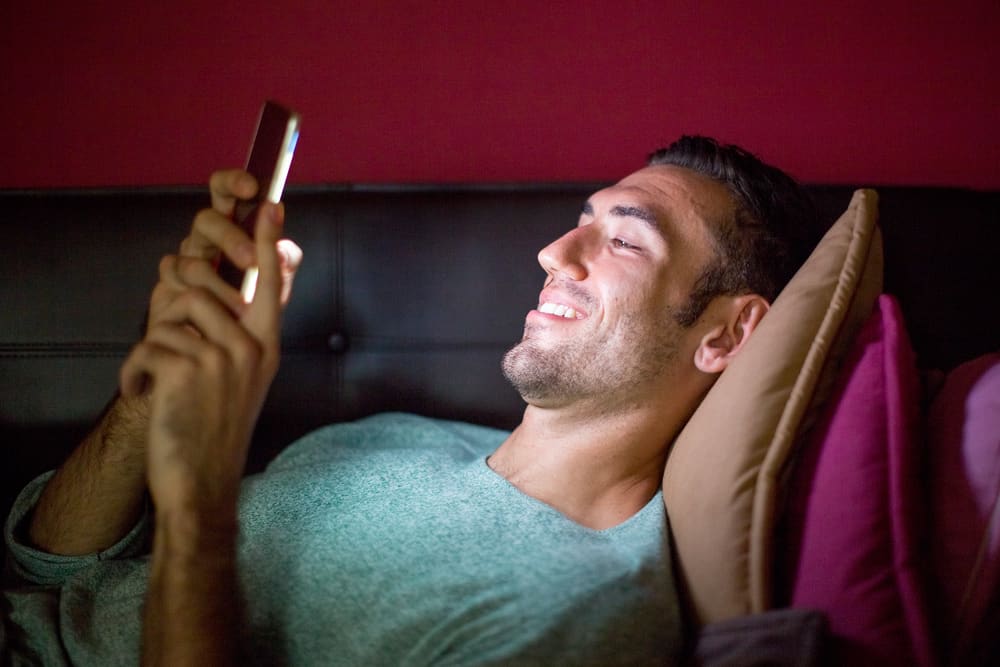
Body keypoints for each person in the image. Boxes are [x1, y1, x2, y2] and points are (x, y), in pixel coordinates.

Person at [2, 136, 823, 665]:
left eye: (623, 239)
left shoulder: (574, 619)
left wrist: (202, 500)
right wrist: (153, 397)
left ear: (724, 334)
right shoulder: (396, 439)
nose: (551, 251)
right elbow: (49, 568)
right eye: (581, 221)